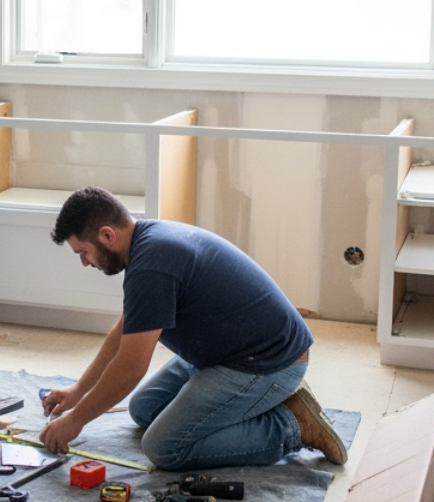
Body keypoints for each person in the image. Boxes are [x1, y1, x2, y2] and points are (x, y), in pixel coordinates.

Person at [40, 186, 346, 470]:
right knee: (144, 409)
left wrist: (75, 422)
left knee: (163, 447)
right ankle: (258, 406)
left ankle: (291, 426)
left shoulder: (151, 265)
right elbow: (126, 330)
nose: (85, 262)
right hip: (226, 351)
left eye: (83, 252)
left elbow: (131, 368)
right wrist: (79, 390)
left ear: (107, 235)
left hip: (267, 363)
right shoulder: (148, 242)